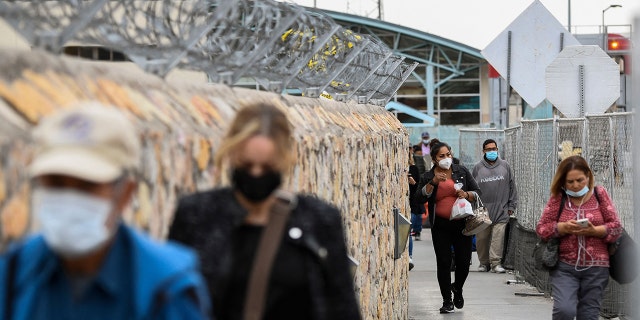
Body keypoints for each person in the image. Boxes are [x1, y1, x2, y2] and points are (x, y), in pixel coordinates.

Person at [0, 105, 211, 319]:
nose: (70, 199)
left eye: (87, 185)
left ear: (125, 194)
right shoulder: (13, 274)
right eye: (56, 183)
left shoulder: (165, 288)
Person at [168, 103, 361, 320]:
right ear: (231, 154)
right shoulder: (197, 215)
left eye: (267, 167)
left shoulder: (318, 221)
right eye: (247, 165)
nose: (256, 174)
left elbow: (343, 306)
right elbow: (171, 300)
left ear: (285, 160)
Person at [536, 155, 622, 320]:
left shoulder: (600, 194)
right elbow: (541, 228)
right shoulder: (559, 198)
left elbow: (616, 227)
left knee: (589, 314)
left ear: (588, 176)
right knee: (564, 310)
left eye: (580, 180)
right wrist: (562, 227)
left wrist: (595, 231)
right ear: (562, 182)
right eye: (570, 182)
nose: (575, 186)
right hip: (565, 267)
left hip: (597, 268)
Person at [415, 139, 480, 314]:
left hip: (462, 224)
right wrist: (433, 183)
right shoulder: (428, 177)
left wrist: (466, 194)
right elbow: (419, 198)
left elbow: (477, 192)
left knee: (464, 263)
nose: (446, 158)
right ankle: (447, 300)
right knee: (443, 262)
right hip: (441, 226)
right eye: (441, 156)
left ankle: (457, 288)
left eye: (448, 154)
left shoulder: (462, 171)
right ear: (435, 159)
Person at [472, 139, 518, 273]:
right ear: (483, 151)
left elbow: (512, 187)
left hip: (501, 210)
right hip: (483, 211)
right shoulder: (477, 167)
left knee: (498, 239)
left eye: (494, 148)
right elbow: (473, 189)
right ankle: (483, 263)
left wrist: (511, 206)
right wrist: (474, 208)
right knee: (482, 238)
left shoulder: (505, 166)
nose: (492, 151)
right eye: (488, 149)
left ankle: (495, 263)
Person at [409, 151, 423, 242]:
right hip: (407, 200)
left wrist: (413, 183)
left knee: (414, 219)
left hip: (413, 200)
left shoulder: (414, 169)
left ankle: (417, 231)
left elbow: (419, 185)